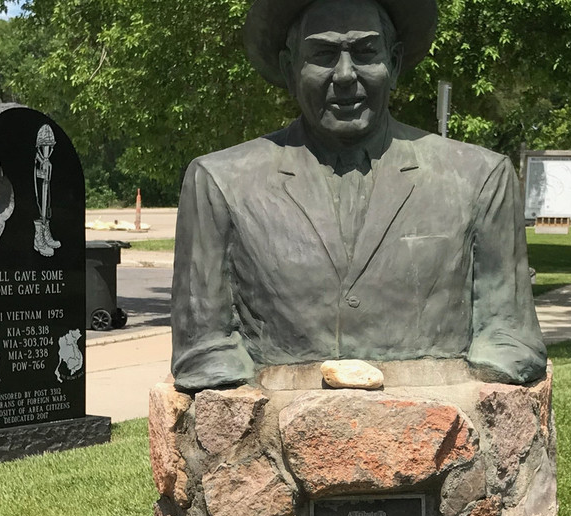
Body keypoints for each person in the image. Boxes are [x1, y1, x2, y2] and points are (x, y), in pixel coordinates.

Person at [170, 0, 546, 392]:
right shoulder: (219, 181)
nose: (345, 74)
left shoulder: (480, 178)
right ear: (289, 68)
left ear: (395, 63)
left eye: (366, 52)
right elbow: (204, 350)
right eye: (323, 54)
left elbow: (512, 340)